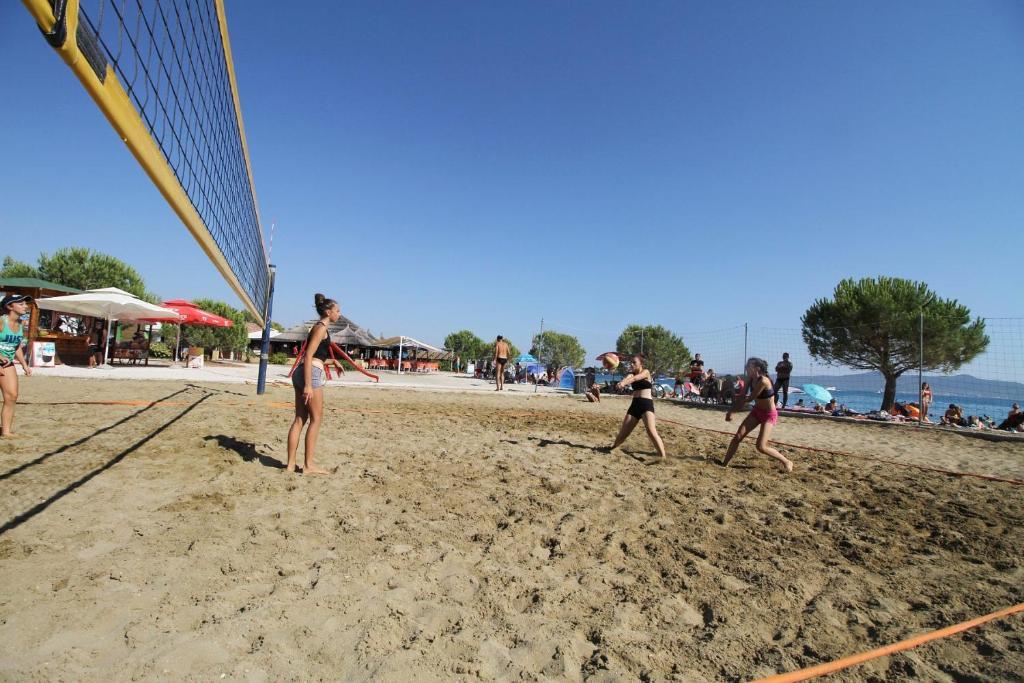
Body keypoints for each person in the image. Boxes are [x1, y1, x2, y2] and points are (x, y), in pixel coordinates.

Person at [286, 293, 341, 475]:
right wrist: (309, 385)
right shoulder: (321, 329)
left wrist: (332, 361)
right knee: (316, 419)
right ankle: (308, 466)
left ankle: (290, 465)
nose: (339, 314)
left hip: (301, 372)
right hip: (310, 374)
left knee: (300, 419)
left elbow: (316, 356)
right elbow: (309, 355)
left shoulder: (317, 327)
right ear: (328, 312)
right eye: (337, 310)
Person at [721, 357, 793, 473]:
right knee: (738, 437)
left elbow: (750, 398)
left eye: (748, 366)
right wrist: (731, 411)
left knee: (761, 447)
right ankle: (724, 464)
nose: (746, 368)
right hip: (757, 411)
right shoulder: (750, 379)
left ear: (757, 368)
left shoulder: (764, 381)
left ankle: (786, 461)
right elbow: (742, 396)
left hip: (769, 415)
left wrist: (733, 411)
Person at [608, 354, 667, 461]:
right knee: (623, 434)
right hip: (635, 405)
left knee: (651, 431)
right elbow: (629, 378)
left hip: (646, 405)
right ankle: (612, 447)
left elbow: (635, 378)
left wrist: (624, 383)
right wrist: (621, 383)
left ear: (641, 364)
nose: (631, 364)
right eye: (631, 362)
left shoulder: (646, 372)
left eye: (634, 362)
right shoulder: (631, 374)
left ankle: (663, 457)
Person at [0, 294, 33, 437]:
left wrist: (24, 364)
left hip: (7, 363)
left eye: (25, 303)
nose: (25, 306)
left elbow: (17, 346)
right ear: (9, 306)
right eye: (21, 304)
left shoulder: (20, 324)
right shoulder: (1, 321)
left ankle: (6, 431)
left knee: (12, 396)